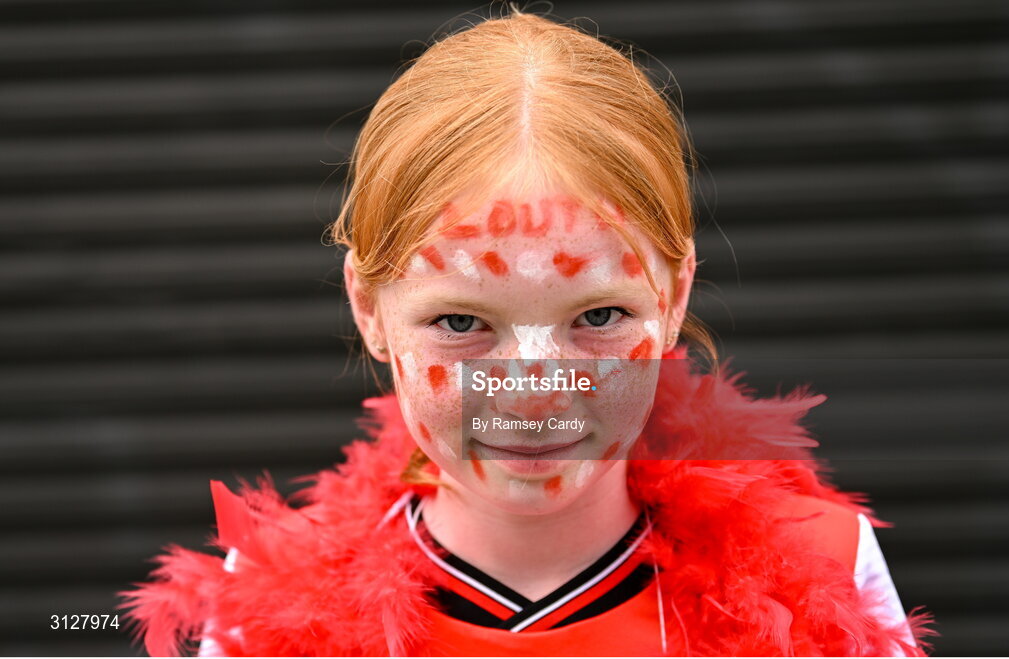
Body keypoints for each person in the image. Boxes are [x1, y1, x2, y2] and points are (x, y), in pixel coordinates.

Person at [119, 8, 934, 656]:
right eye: (462, 322)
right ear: (369, 310)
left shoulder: (823, 569)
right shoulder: (271, 608)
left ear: (676, 294)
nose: (536, 392)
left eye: (599, 317)